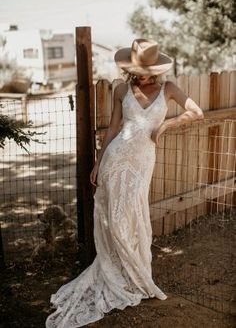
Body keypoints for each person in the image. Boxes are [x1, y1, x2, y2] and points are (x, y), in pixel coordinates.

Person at [45, 38, 204, 328]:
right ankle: (116, 272)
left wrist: (166, 125)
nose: (142, 74)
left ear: (156, 68)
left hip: (143, 160)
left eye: (146, 69)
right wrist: (98, 161)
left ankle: (136, 273)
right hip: (116, 158)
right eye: (137, 69)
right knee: (113, 219)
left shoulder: (168, 89)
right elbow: (114, 128)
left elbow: (197, 111)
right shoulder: (121, 89)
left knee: (132, 214)